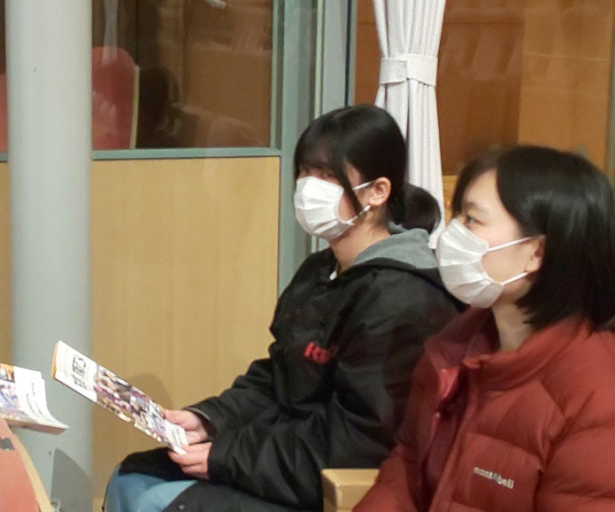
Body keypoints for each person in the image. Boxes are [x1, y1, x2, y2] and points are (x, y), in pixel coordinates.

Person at [106, 104, 461, 512]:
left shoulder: (403, 298)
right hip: (282, 458)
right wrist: (209, 419)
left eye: (328, 176)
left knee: (154, 502)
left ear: (377, 192)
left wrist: (228, 456)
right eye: (306, 172)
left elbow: (356, 443)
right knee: (131, 477)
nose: (309, 188)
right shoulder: (321, 270)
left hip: (332, 484)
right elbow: (279, 375)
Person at [355, 145, 615, 512]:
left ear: (536, 252)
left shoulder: (596, 398)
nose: (452, 235)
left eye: (472, 220)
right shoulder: (453, 346)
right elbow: (408, 466)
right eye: (456, 216)